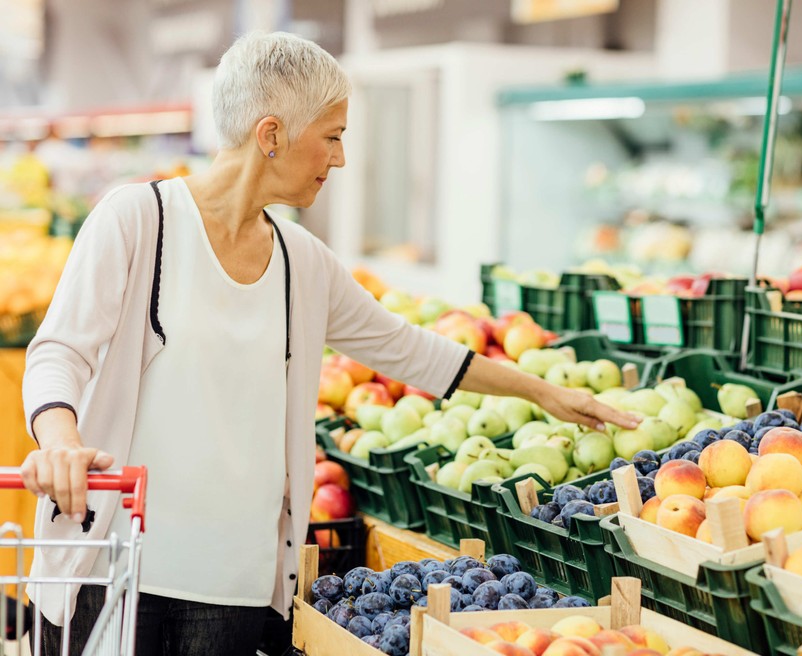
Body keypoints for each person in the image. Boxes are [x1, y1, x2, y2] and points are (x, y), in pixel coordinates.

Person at [17, 31, 638, 656]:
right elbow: (59, 353)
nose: (340, 158)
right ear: (272, 134)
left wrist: (547, 394)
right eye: (333, 135)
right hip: (116, 566)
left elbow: (410, 349)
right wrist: (61, 443)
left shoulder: (302, 264)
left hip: (231, 582)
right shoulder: (136, 220)